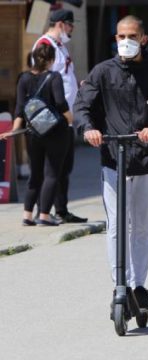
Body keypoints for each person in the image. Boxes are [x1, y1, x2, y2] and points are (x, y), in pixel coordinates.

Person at [73, 15, 148, 309]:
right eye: (120, 36)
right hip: (114, 158)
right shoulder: (103, 72)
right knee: (117, 226)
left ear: (144, 38)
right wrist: (88, 129)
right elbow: (82, 105)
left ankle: (139, 285)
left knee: (145, 226)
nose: (125, 41)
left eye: (131, 35)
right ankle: (120, 284)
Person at [0, 43, 72, 226]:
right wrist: (71, 119)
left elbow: (19, 109)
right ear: (51, 60)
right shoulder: (54, 77)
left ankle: (27, 215)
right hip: (56, 132)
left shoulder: (23, 78)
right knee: (52, 174)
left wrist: (14, 131)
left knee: (35, 174)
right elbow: (61, 103)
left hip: (32, 133)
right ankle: (45, 215)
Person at [33, 8, 87, 223]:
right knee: (52, 168)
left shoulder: (60, 46)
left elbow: (65, 78)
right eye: (71, 25)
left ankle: (61, 210)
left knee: (65, 167)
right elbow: (38, 79)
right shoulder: (44, 45)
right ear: (61, 24)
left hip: (66, 117)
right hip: (53, 117)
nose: (72, 29)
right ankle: (44, 211)